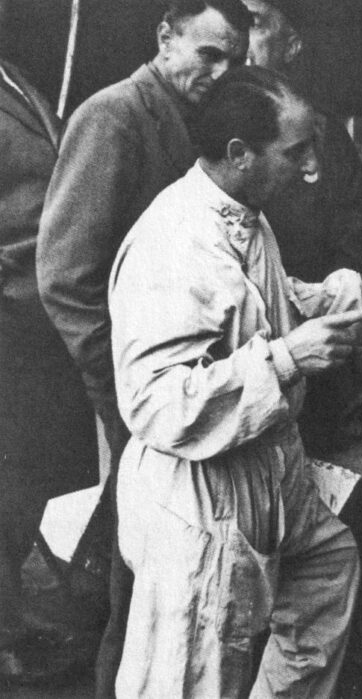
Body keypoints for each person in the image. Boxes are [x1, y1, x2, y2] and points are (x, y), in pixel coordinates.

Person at [108, 66, 362, 696]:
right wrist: (286, 360)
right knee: (191, 674)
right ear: (239, 155)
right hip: (202, 489)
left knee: (328, 567)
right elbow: (155, 404)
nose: (313, 168)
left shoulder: (246, 217)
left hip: (268, 470)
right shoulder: (174, 243)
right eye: (296, 152)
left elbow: (268, 303)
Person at [36, 2, 251, 693]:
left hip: (186, 391)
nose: (220, 73)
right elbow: (65, 277)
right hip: (140, 395)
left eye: (234, 61)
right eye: (208, 54)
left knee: (158, 577)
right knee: (139, 582)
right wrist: (121, 391)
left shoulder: (193, 122)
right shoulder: (114, 115)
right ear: (165, 37)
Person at [243, 0, 362, 453]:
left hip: (309, 349)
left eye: (255, 24)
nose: (241, 36)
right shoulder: (200, 128)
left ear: (292, 44)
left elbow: (353, 231)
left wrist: (330, 318)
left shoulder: (322, 133)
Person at [0, 57, 97, 684]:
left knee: (27, 474)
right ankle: (7, 635)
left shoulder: (15, 80)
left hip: (40, 319)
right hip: (9, 309)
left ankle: (13, 619)